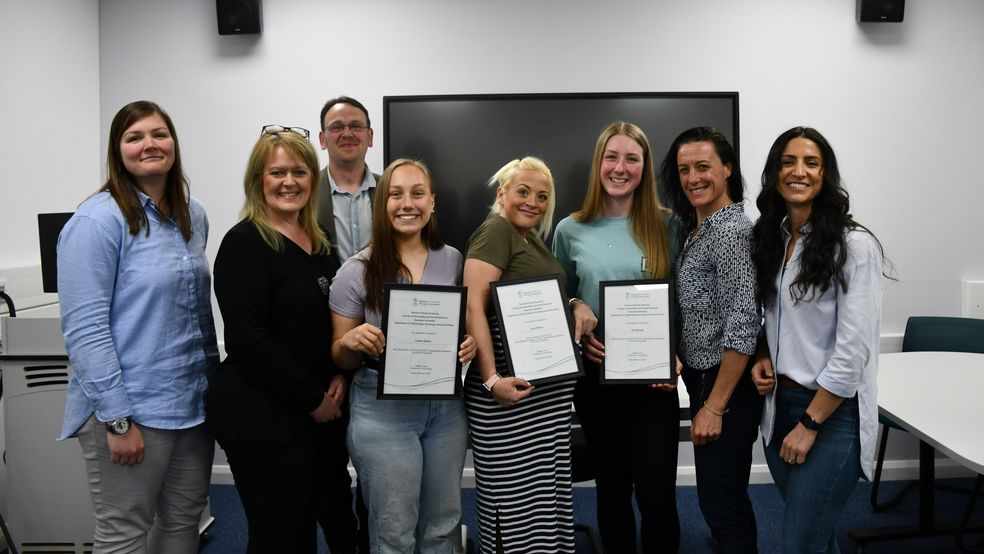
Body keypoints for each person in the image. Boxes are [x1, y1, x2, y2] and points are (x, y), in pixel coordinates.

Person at [57, 100, 218, 552]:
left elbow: (194, 312)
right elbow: (85, 329)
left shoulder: (192, 213)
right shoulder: (96, 222)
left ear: (174, 144)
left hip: (192, 405)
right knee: (123, 533)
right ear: (118, 150)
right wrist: (117, 419)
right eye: (135, 137)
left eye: (158, 134)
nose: (149, 144)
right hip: (133, 410)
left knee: (183, 521)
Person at [206, 126, 355, 552]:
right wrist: (312, 398)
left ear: (314, 178)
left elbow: (335, 321)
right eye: (277, 173)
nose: (289, 182)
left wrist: (339, 375)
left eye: (300, 171)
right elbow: (248, 339)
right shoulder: (244, 244)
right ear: (258, 181)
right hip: (264, 417)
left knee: (336, 518)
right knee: (282, 534)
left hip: (321, 412)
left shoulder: (321, 243)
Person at [329, 158, 476, 553]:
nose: (406, 203)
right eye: (395, 194)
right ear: (383, 203)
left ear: (433, 203)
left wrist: (469, 345)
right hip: (382, 409)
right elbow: (339, 356)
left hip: (445, 408)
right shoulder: (355, 270)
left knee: (444, 525)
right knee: (394, 532)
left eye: (417, 193)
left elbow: (462, 325)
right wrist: (351, 342)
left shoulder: (454, 260)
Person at [749, 127, 885, 553]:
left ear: (826, 175)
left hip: (830, 416)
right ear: (774, 173)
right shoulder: (772, 238)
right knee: (816, 536)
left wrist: (810, 423)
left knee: (798, 543)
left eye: (811, 163)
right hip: (779, 410)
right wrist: (762, 355)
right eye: (788, 162)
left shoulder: (853, 245)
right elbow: (773, 318)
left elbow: (853, 349)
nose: (798, 172)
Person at [552, 121, 681, 553]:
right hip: (597, 378)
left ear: (644, 168)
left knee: (657, 495)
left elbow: (686, 299)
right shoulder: (570, 229)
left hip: (655, 381)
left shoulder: (670, 225)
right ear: (598, 164)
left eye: (631, 158)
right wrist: (575, 306)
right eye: (612, 157)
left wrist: (676, 354)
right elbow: (557, 296)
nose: (620, 168)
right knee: (611, 489)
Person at [463, 156, 579, 554]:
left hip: (541, 397)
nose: (533, 202)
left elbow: (539, 296)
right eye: (524, 192)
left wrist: (577, 303)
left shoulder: (527, 236)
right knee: (512, 499)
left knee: (542, 497)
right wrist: (492, 379)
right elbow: (473, 307)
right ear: (502, 194)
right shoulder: (495, 231)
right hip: (508, 398)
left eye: (542, 196)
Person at [657, 127, 762, 553]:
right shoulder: (696, 228)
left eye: (703, 167)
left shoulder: (731, 231)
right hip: (702, 375)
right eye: (684, 170)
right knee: (720, 497)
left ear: (728, 168)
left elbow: (741, 323)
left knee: (723, 502)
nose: (693, 178)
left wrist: (714, 406)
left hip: (724, 384)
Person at [318, 95, 381, 264]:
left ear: (370, 136)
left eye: (356, 126)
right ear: (322, 139)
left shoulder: (391, 189)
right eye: (337, 127)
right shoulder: (305, 191)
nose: (347, 134)